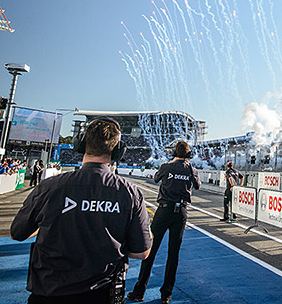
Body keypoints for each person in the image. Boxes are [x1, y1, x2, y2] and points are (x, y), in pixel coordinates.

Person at [11, 117, 151, 303]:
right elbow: (141, 253)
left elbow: (17, 233)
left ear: (80, 145)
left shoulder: (49, 187)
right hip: (102, 293)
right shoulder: (130, 193)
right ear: (117, 151)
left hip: (50, 292)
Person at [127, 141, 200, 303]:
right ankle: (166, 294)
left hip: (163, 211)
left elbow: (156, 179)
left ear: (174, 152)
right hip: (180, 213)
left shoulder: (166, 166)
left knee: (150, 250)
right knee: (173, 254)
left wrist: (171, 164)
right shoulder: (191, 170)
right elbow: (198, 186)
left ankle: (139, 291)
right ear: (188, 154)